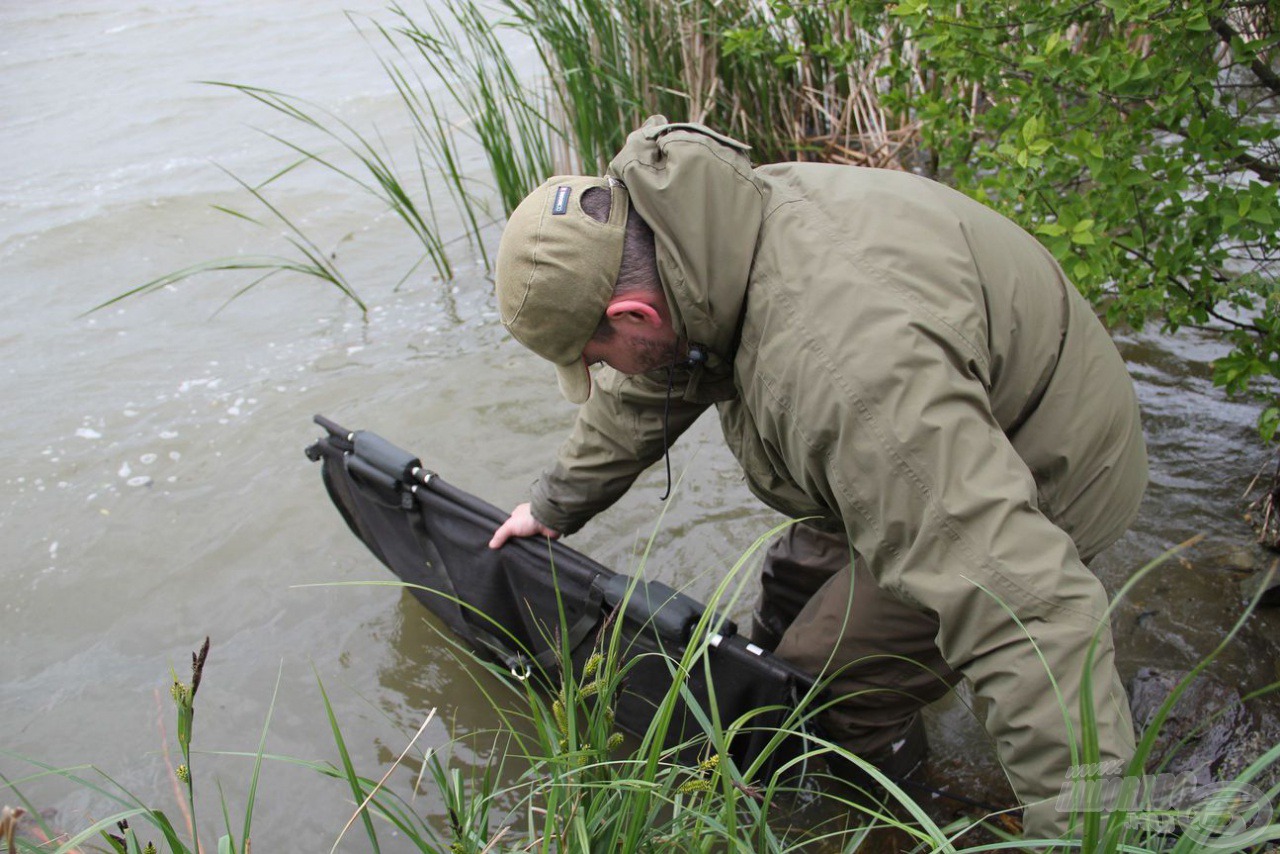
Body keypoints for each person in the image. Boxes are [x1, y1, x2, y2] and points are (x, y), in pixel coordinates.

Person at [486, 116, 1148, 839]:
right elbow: (655, 380)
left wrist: (1087, 830)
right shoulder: (699, 242)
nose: (606, 372)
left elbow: (1024, 608)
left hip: (1047, 454)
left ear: (632, 311)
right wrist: (552, 505)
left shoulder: (841, 371)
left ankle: (902, 821)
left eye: (598, 355)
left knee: (826, 694)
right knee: (788, 600)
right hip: (937, 420)